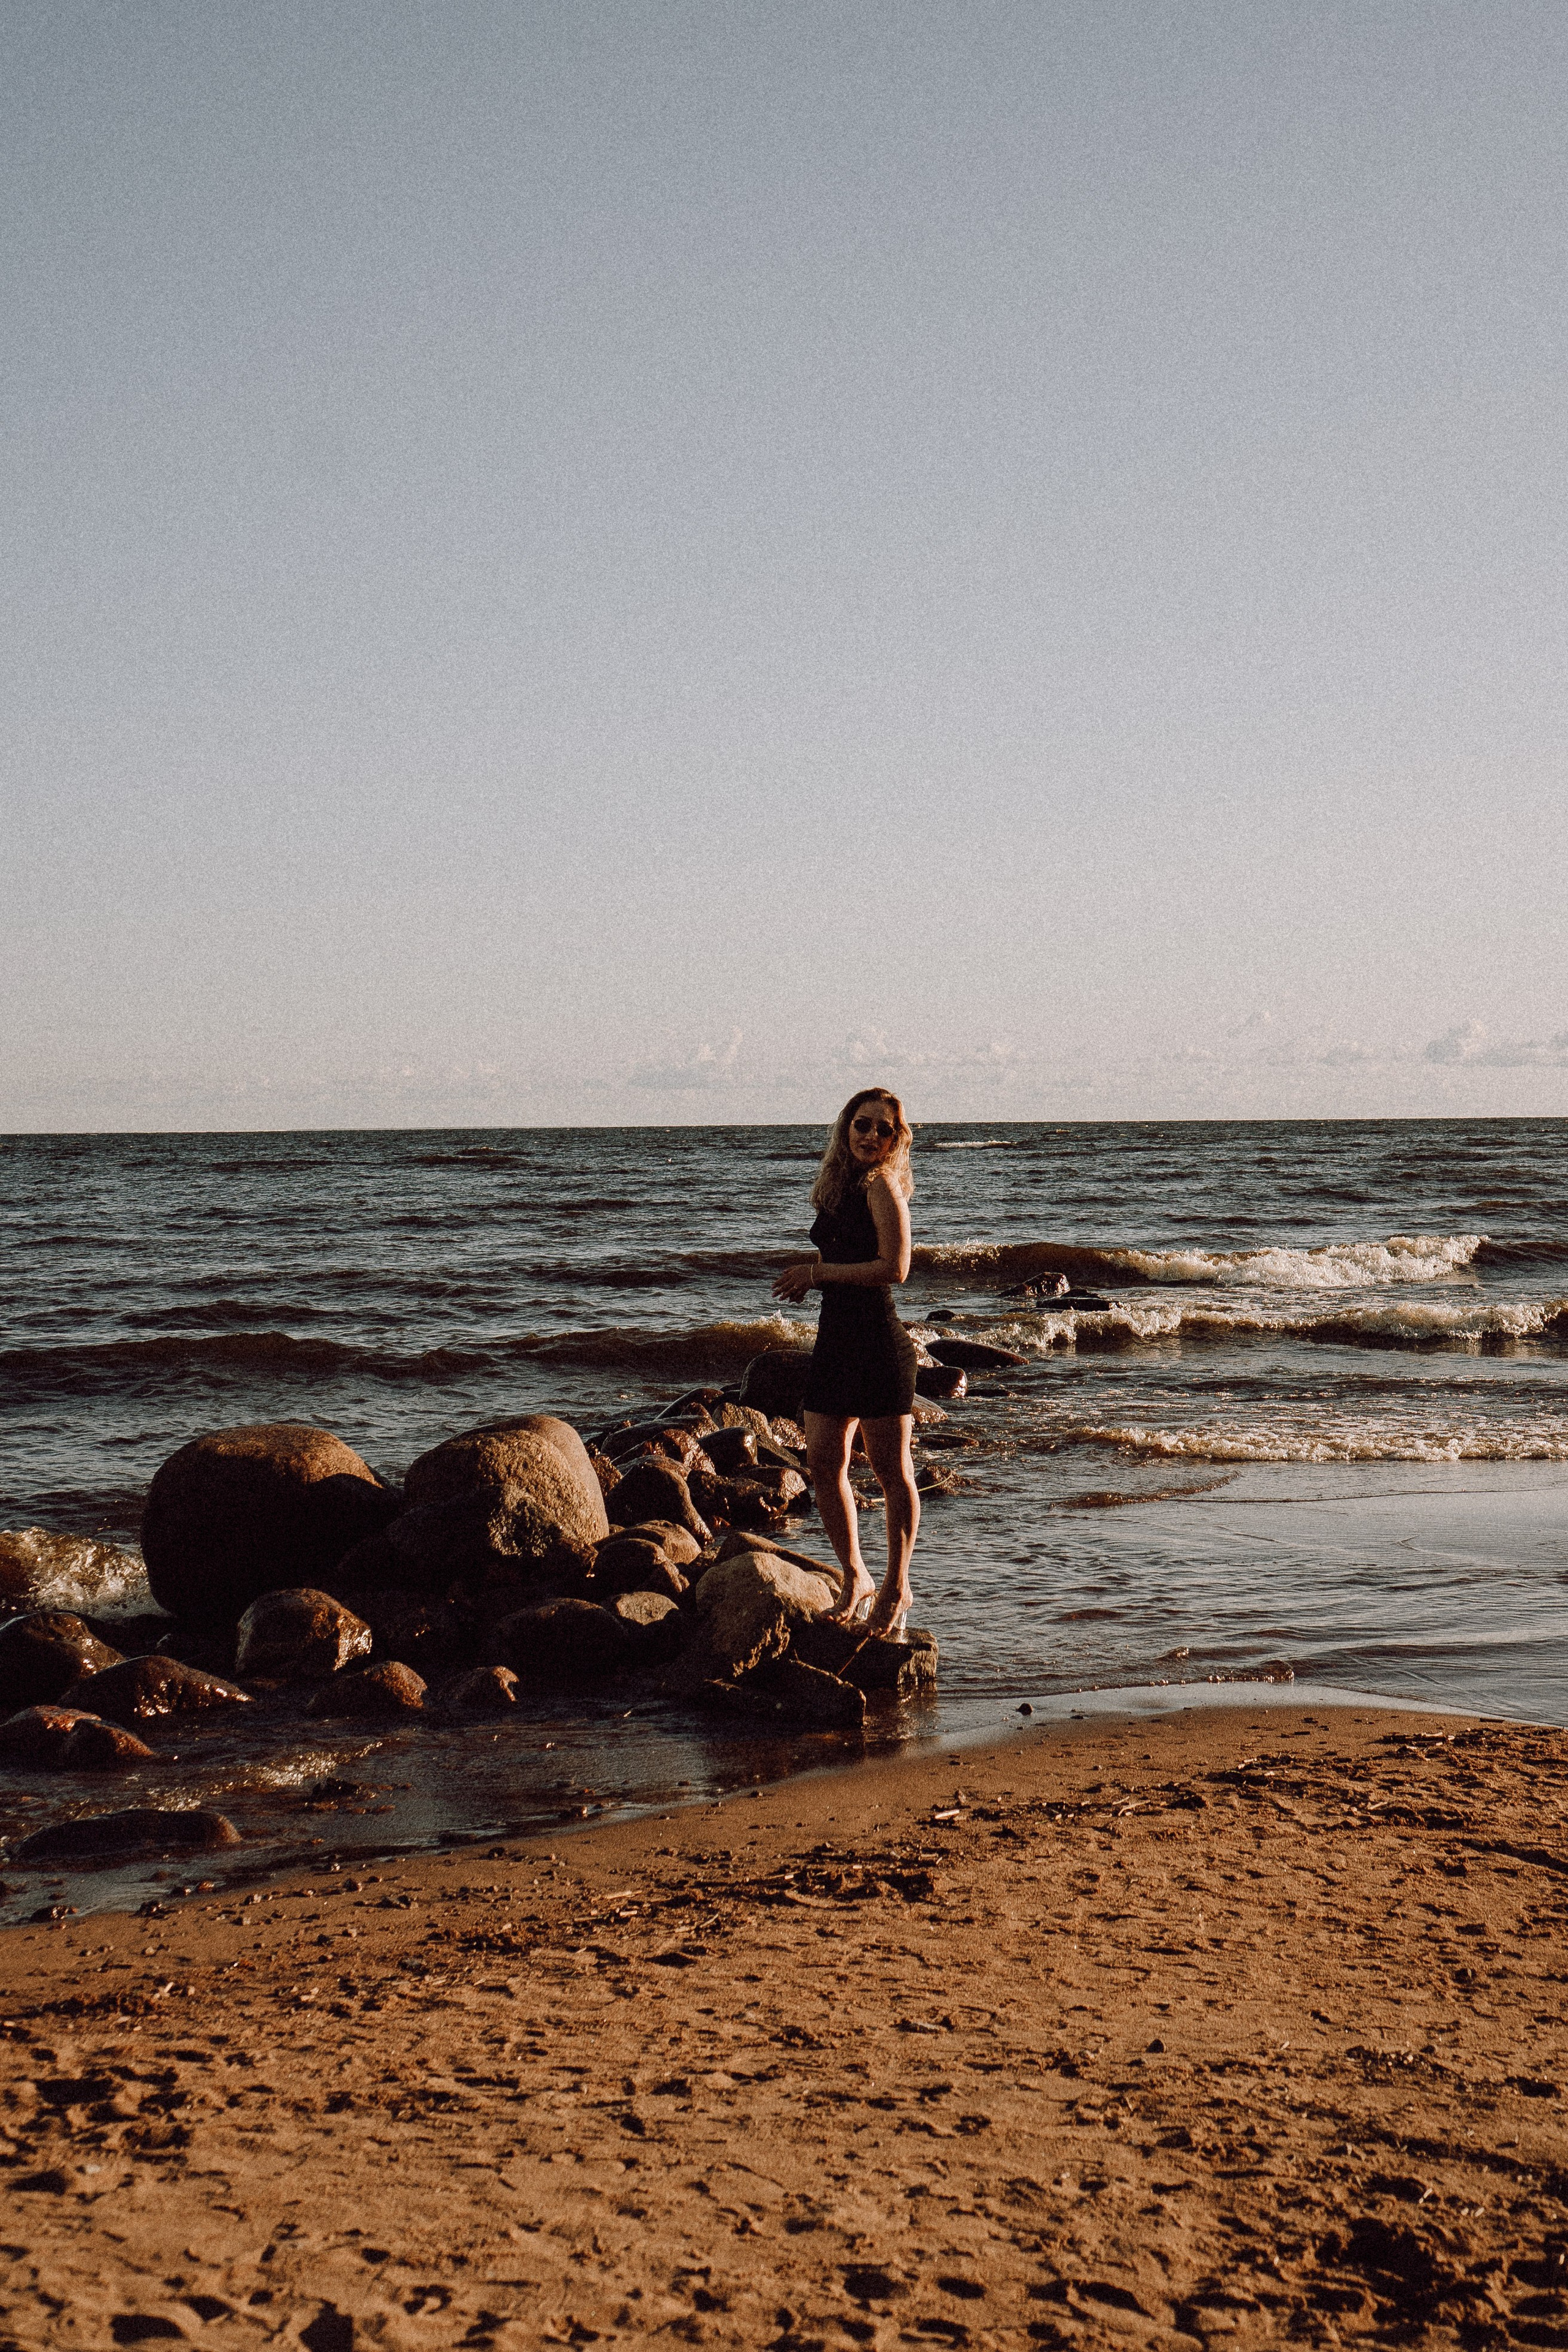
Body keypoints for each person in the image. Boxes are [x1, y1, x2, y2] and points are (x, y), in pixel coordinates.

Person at [772, 1087, 920, 1634]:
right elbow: (841, 1255)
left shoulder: (883, 1186)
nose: (871, 1136)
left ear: (895, 1140)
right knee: (824, 1464)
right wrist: (812, 1272)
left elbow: (895, 1268)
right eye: (863, 1124)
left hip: (879, 1346)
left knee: (890, 1473)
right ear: (845, 1126)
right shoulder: (838, 1186)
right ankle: (855, 1575)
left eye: (884, 1129)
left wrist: (817, 1275)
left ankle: (897, 1586)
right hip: (836, 1342)